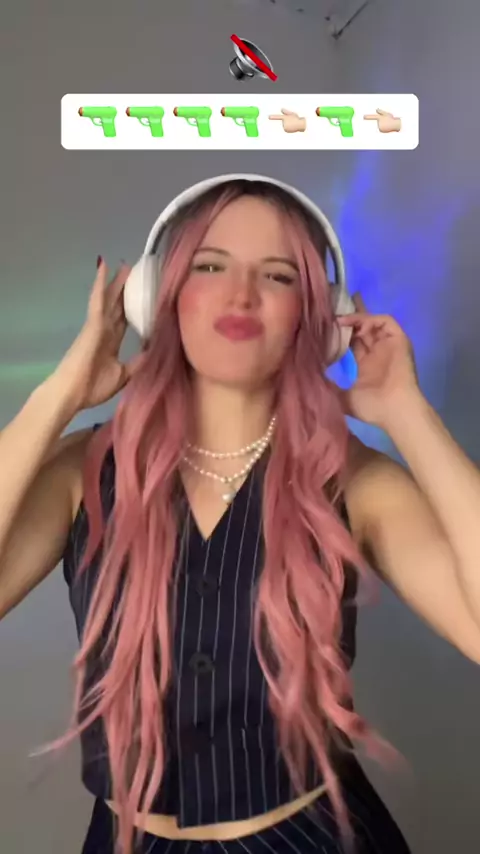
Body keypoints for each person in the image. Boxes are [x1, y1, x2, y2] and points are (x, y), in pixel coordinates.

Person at [1, 177, 480, 854]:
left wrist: (407, 412)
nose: (241, 294)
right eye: (209, 266)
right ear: (159, 296)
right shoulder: (87, 468)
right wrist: (60, 394)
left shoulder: (355, 481)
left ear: (318, 315)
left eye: (278, 276)